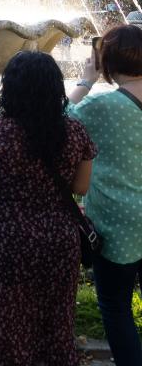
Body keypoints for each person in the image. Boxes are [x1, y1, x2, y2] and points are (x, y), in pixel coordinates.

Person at [0, 51, 96, 366]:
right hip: (59, 240)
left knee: (8, 318)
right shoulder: (75, 132)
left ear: (10, 89)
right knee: (57, 320)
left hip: (10, 239)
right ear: (56, 88)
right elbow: (81, 188)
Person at [67, 24, 142, 366]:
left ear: (107, 62)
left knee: (115, 305)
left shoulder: (104, 106)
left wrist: (86, 80)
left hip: (118, 224)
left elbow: (59, 122)